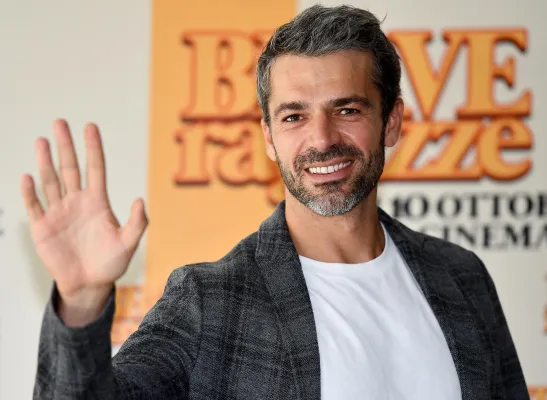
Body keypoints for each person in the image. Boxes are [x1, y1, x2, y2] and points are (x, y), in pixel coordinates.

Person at [24, 4, 529, 400]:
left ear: (391, 122)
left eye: (347, 109)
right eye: (293, 117)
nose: (321, 139)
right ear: (268, 136)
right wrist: (82, 302)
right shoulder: (211, 301)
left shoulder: (461, 277)